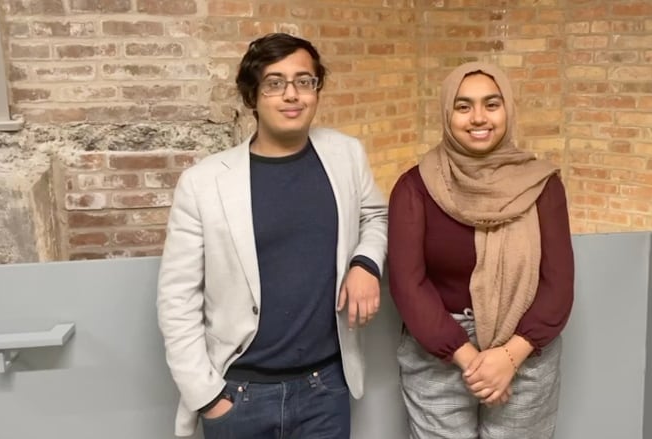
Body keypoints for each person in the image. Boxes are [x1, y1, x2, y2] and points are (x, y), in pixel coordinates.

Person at [157, 33, 388, 438]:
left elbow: (375, 216)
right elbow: (177, 299)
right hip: (239, 395)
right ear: (253, 96)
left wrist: (364, 263)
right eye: (275, 83)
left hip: (326, 390)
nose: (292, 95)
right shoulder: (204, 182)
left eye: (305, 81)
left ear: (317, 90)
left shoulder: (345, 154)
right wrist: (209, 398)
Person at [387, 62, 574, 439]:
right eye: (463, 106)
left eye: (491, 104)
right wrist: (473, 360)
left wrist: (509, 357)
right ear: (446, 113)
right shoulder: (415, 187)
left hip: (525, 347)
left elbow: (558, 283)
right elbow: (408, 284)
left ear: (507, 110)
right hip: (439, 350)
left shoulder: (542, 185)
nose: (478, 118)